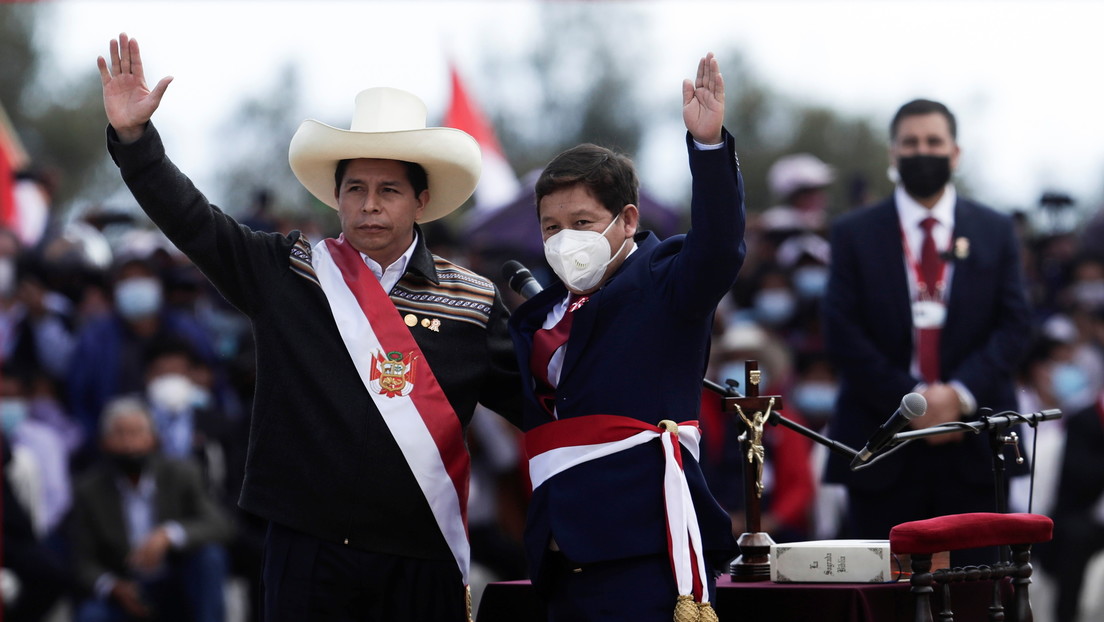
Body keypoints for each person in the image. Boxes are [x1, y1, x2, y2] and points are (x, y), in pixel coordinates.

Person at [97, 33, 520, 621]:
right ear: (337, 197)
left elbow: (543, 402)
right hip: (307, 553)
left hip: (422, 559)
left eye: (389, 190)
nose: (370, 205)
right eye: (355, 189)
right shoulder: (287, 272)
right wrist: (135, 140)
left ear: (421, 199)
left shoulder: (473, 300)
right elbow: (193, 222)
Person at [508, 53, 742, 621]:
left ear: (628, 220)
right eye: (551, 228)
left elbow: (718, 249)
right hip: (560, 553)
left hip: (645, 549)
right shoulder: (537, 314)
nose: (566, 240)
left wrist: (708, 149)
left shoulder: (667, 282)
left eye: (583, 223)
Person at [822, 99, 1032, 565]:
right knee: (884, 601)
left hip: (976, 445)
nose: (923, 152)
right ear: (893, 154)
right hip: (883, 445)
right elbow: (841, 331)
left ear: (955, 152)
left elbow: (1015, 325)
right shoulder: (853, 232)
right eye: (911, 142)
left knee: (980, 596)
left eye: (934, 142)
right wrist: (911, 405)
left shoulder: (995, 230)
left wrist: (956, 397)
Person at [70, 396, 233, 622]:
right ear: (104, 442)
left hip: (176, 581)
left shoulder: (181, 474)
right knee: (91, 615)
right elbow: (80, 559)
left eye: (136, 433)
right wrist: (113, 586)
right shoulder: (89, 489)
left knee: (210, 556)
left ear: (154, 439)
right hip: (127, 585)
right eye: (119, 434)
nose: (129, 444)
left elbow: (220, 524)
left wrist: (169, 534)